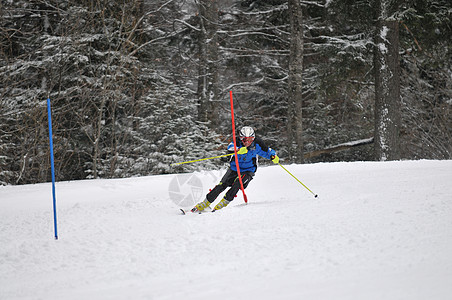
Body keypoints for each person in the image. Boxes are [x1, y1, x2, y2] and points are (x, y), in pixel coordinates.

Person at [193, 126, 279, 212]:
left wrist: (273, 156)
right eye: (245, 140)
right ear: (241, 138)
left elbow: (267, 151)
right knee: (221, 185)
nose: (247, 142)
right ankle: (204, 204)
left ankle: (221, 205)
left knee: (237, 184)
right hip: (234, 168)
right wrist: (238, 150)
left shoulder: (257, 144)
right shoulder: (237, 142)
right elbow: (230, 148)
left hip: (248, 170)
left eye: (250, 139)